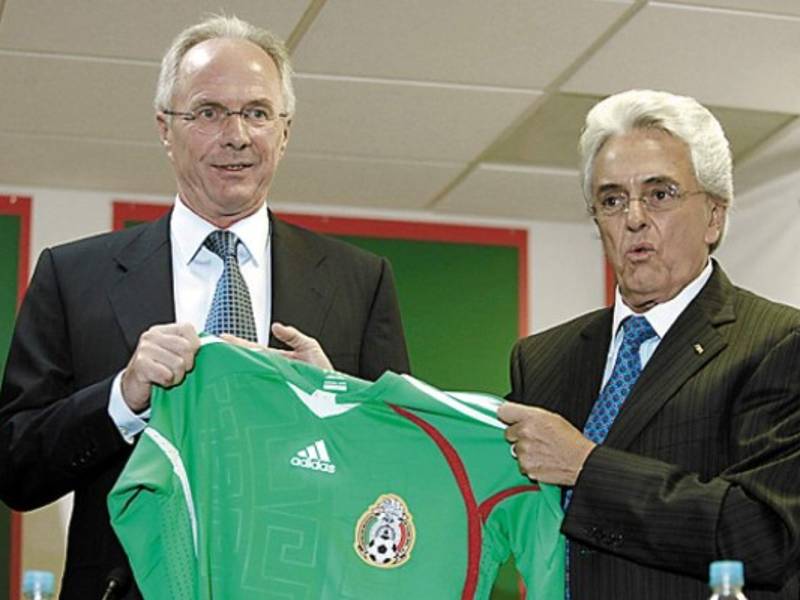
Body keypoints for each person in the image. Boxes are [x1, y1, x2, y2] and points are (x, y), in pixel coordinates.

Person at [0, 15, 409, 600]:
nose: (237, 134)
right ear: (165, 129)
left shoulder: (360, 281)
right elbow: (16, 467)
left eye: (258, 113)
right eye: (209, 112)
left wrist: (339, 403)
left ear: (285, 131)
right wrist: (123, 396)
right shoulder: (74, 276)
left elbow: (401, 477)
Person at [497, 89, 800, 599]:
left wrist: (586, 467)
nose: (633, 218)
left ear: (714, 217)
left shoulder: (777, 343)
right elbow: (472, 473)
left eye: (660, 194)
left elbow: (761, 534)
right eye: (612, 200)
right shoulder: (542, 358)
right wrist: (331, 393)